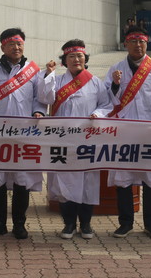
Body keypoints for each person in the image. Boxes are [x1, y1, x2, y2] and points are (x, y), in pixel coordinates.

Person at [0, 27, 56, 239]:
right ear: (2, 47)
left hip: (24, 133)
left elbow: (40, 98)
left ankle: (19, 224)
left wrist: (38, 111)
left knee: (21, 179)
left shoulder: (33, 70)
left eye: (19, 43)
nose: (16, 47)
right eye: (11, 44)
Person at [104, 25, 151, 239]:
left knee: (150, 177)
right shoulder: (116, 68)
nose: (138, 45)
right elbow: (106, 99)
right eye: (133, 41)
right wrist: (115, 85)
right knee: (123, 177)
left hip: (149, 130)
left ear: (147, 43)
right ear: (126, 44)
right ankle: (125, 223)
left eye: (141, 41)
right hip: (124, 131)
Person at [48, 40, 112, 240]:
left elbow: (106, 105)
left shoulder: (95, 82)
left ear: (85, 59)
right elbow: (45, 98)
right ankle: (68, 224)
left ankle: (85, 224)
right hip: (63, 140)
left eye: (80, 56)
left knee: (88, 183)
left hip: (88, 140)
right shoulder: (57, 81)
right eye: (72, 57)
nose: (76, 60)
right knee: (65, 182)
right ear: (64, 61)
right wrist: (48, 75)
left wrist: (97, 114)